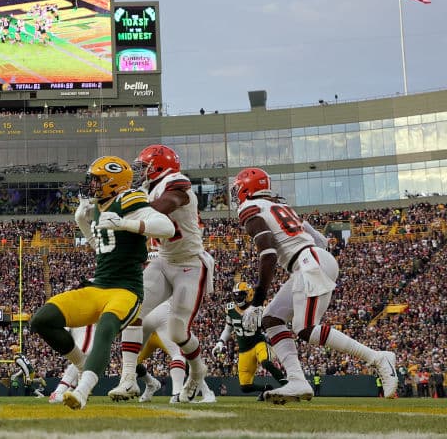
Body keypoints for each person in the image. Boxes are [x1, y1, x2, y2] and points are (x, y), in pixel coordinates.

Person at [231, 167, 398, 403]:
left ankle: (378, 358)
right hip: (311, 259)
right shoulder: (282, 207)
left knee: (306, 328)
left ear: (246, 188)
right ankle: (297, 380)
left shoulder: (251, 208)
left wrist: (256, 302)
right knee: (272, 319)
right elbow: (320, 239)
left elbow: (267, 254)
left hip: (308, 262)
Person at [29, 155, 176, 410]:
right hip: (98, 287)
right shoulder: (98, 206)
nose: (92, 185)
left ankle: (83, 390)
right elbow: (101, 248)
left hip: (126, 290)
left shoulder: (128, 199)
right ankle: (82, 364)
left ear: (113, 182)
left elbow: (167, 227)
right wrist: (82, 223)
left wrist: (126, 224)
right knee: (42, 320)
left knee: (107, 326)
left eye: (97, 180)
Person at [114, 145, 214, 403]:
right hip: (163, 261)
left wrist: (131, 217)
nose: (140, 172)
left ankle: (197, 370)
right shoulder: (146, 189)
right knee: (132, 309)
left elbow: (168, 203)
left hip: (189, 264)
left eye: (144, 166)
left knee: (179, 333)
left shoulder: (175, 183)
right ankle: (127, 379)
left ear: (158, 166)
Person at [212, 281, 287, 395]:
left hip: (258, 343)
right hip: (243, 350)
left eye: (241, 294)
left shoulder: (258, 308)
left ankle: (288, 386)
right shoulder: (231, 309)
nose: (238, 298)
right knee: (245, 387)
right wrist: (220, 342)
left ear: (249, 294)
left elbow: (269, 326)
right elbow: (228, 329)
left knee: (266, 362)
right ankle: (266, 389)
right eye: (236, 295)